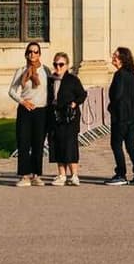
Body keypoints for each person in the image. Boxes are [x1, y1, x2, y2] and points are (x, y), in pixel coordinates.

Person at [7, 42, 50, 187]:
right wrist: (22, 101)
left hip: (41, 111)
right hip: (26, 110)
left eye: (36, 52)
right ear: (26, 54)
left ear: (39, 54)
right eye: (30, 52)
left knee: (38, 144)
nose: (33, 54)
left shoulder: (45, 71)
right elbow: (12, 91)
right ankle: (24, 175)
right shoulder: (21, 70)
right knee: (24, 142)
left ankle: (36, 175)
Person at [104, 47, 134, 186]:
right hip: (133, 115)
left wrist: (111, 107)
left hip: (121, 116)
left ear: (122, 58)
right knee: (131, 146)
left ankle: (121, 174)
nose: (113, 58)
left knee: (116, 144)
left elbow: (117, 95)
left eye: (115, 55)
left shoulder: (120, 74)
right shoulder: (133, 72)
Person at [45, 52, 86, 186]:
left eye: (61, 64)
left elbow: (82, 94)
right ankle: (61, 174)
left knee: (70, 145)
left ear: (67, 65)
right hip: (55, 116)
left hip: (69, 117)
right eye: (55, 64)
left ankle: (74, 175)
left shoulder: (72, 80)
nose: (58, 67)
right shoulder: (51, 80)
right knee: (57, 144)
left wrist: (74, 103)